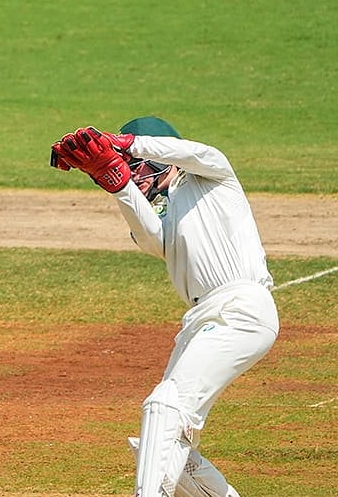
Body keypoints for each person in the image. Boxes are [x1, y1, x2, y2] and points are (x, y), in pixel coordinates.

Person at [50, 117, 279, 497]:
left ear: (160, 155)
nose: (133, 173)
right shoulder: (162, 215)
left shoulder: (214, 178)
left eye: (137, 165)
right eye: (127, 167)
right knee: (168, 446)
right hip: (201, 317)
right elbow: (150, 238)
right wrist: (116, 182)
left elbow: (198, 152)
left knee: (164, 405)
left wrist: (129, 144)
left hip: (242, 306)